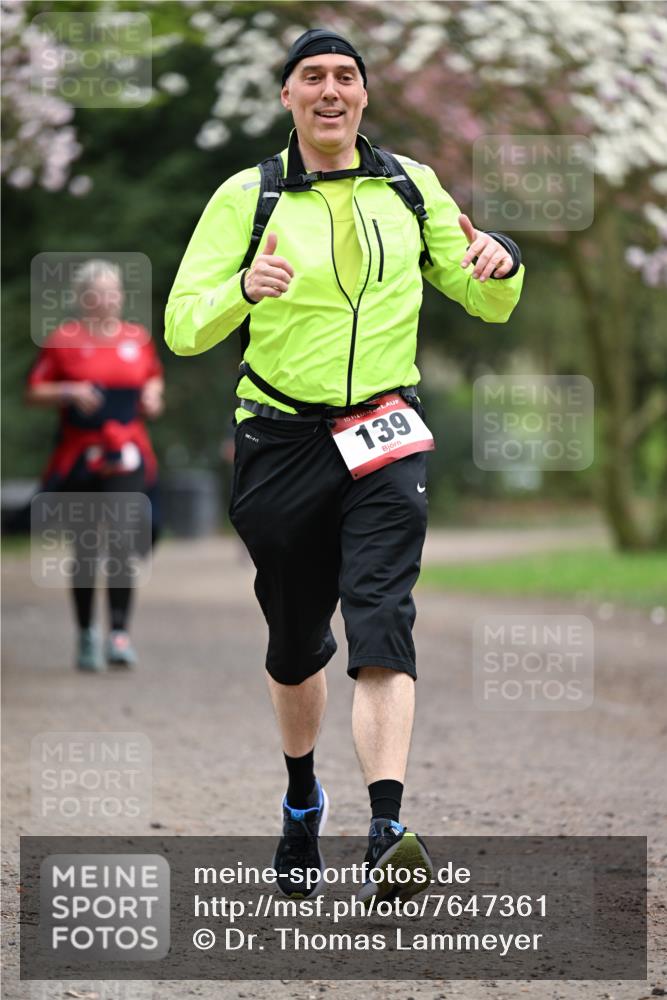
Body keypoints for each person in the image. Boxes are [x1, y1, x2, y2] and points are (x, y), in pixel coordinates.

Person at [165, 29, 524, 901]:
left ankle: (387, 827)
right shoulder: (246, 198)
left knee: (381, 620)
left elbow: (480, 298)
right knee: (295, 648)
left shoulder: (409, 186)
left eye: (346, 78)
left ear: (363, 97)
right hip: (280, 439)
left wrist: (501, 262)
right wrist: (241, 291)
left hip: (385, 432)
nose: (331, 91)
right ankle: (300, 800)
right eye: (312, 77)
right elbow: (182, 324)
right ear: (286, 96)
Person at [26, 259, 164, 671]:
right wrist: (68, 390)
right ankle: (86, 633)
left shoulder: (136, 338)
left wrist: (154, 395)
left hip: (127, 449)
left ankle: (119, 633)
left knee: (123, 536)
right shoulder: (62, 340)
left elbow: (153, 377)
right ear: (83, 298)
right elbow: (34, 390)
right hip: (81, 453)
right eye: (99, 292)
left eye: (114, 291)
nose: (108, 299)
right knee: (86, 546)